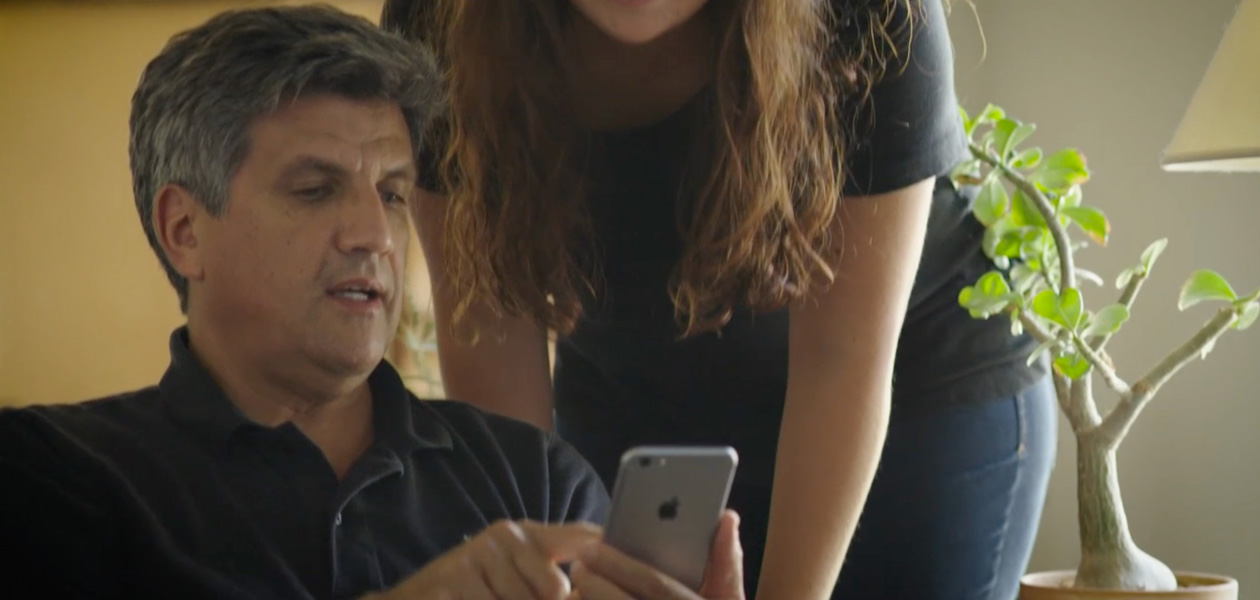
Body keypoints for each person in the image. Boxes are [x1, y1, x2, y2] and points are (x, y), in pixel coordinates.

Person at [0, 6, 746, 600]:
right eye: (314, 189)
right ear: (184, 231)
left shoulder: (537, 478)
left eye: (391, 194)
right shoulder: (53, 475)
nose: (375, 235)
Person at [380, 0, 1058, 598]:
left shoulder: (871, 11)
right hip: (632, 393)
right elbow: (488, 334)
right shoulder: (441, 19)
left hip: (916, 395)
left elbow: (843, 361)